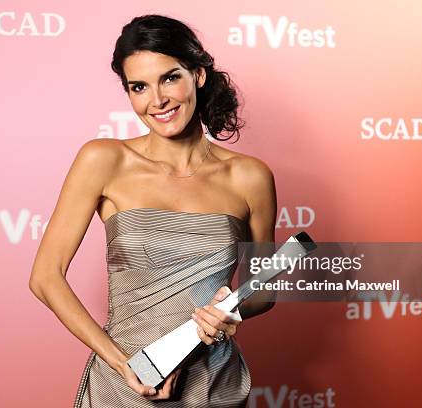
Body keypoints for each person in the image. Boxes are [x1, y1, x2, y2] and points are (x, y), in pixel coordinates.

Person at [29, 14, 277, 407]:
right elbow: (45, 277)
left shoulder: (250, 177)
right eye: (139, 87)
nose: (156, 100)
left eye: (169, 78)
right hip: (123, 384)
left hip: (213, 384)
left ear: (197, 74)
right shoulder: (104, 159)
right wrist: (122, 363)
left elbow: (263, 288)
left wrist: (233, 309)